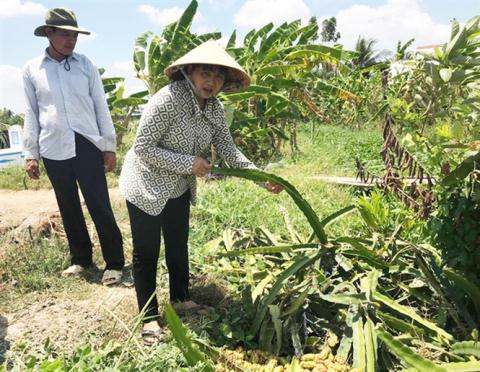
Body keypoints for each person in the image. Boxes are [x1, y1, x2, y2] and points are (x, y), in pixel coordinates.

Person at [119, 40, 283, 346]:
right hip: (145, 183)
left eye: (219, 77)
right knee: (147, 253)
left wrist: (263, 178)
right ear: (189, 71)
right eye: (206, 73)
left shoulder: (216, 109)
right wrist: (188, 162)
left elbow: (231, 153)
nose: (212, 82)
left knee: (178, 245)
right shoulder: (167, 99)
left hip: (179, 185)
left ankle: (181, 300)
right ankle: (149, 316)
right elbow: (142, 147)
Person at [22, 8, 124, 285]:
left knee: (99, 203)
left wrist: (109, 146)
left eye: (74, 35)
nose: (71, 40)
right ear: (49, 33)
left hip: (87, 143)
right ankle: (81, 259)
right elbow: (31, 112)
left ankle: (114, 263)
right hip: (53, 146)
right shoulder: (33, 69)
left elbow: (100, 107)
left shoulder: (85, 65)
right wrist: (31, 154)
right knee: (68, 205)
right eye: (65, 34)